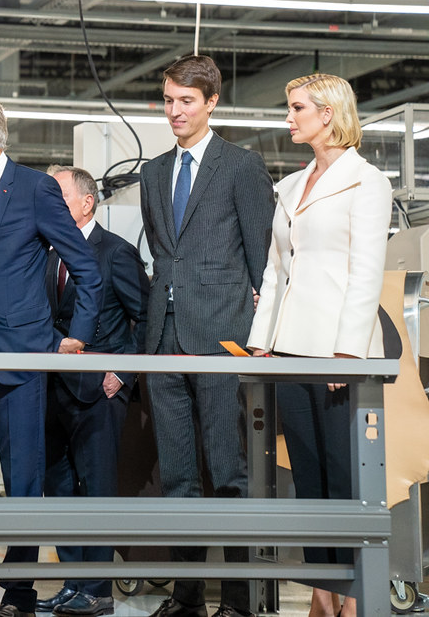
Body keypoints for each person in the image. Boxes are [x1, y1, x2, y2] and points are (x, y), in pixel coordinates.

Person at [0, 93, 103, 617]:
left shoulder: (35, 189)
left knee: (23, 486)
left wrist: (76, 336)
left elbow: (87, 268)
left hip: (22, 360)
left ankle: (18, 595)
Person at [247, 73, 392, 617]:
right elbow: (276, 270)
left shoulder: (367, 182)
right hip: (290, 348)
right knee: (307, 477)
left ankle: (352, 598)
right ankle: (323, 594)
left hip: (338, 351)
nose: (288, 118)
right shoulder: (290, 185)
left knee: (344, 475)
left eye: (297, 108)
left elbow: (366, 273)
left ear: (327, 114)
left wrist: (347, 354)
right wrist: (262, 343)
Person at [138, 55, 274, 617]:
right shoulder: (152, 173)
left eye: (186, 101)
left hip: (221, 335)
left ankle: (237, 601)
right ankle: (187, 596)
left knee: (227, 471)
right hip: (163, 337)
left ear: (211, 102)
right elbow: (162, 256)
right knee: (176, 475)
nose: (175, 111)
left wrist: (263, 334)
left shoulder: (241, 166)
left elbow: (264, 261)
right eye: (169, 100)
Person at [33, 166, 149, 617]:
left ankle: (98, 589)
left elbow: (145, 316)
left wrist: (122, 372)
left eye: (59, 195)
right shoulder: (46, 252)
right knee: (58, 489)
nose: (50, 204)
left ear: (86, 202)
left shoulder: (115, 252)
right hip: (51, 388)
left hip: (99, 392)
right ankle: (73, 583)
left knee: (97, 489)